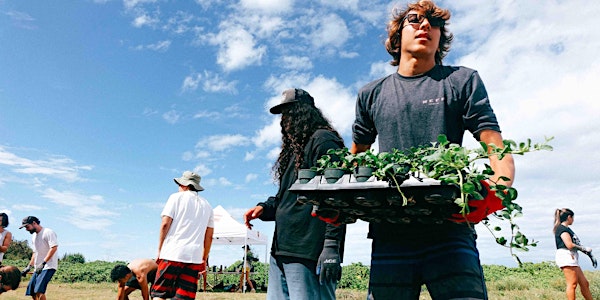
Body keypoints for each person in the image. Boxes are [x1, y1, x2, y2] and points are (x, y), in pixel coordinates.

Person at [351, 1, 515, 299]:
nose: (425, 26)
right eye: (414, 19)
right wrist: (340, 203)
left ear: (440, 37)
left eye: (434, 23)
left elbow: (494, 144)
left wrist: (498, 191)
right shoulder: (371, 94)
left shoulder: (461, 81)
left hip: (450, 227)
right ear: (397, 35)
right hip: (391, 232)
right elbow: (357, 160)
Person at [244, 88, 347, 300]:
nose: (285, 120)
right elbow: (286, 198)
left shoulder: (324, 140)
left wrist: (330, 246)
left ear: (305, 112)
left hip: (310, 250)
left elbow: (339, 195)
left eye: (290, 112)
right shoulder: (293, 151)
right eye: (283, 115)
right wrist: (264, 207)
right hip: (281, 249)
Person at [150, 171, 214, 300]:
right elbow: (209, 236)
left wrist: (160, 249)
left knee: (159, 293)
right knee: (183, 296)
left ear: (184, 185)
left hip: (172, 253)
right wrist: (204, 258)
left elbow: (165, 224)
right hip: (194, 257)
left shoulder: (175, 198)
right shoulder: (207, 206)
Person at [554, 208, 596, 300]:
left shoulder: (567, 229)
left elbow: (575, 245)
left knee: (584, 283)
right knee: (572, 284)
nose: (573, 220)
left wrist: (588, 254)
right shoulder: (562, 229)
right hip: (566, 256)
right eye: (573, 218)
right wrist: (583, 248)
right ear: (569, 217)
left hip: (572, 258)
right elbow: (569, 245)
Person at [19, 216, 58, 300]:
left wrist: (43, 263)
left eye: (27, 227)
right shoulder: (34, 237)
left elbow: (54, 247)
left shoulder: (48, 232)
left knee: (39, 291)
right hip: (38, 267)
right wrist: (29, 267)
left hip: (48, 266)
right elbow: (35, 253)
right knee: (32, 291)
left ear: (34, 223)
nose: (26, 229)